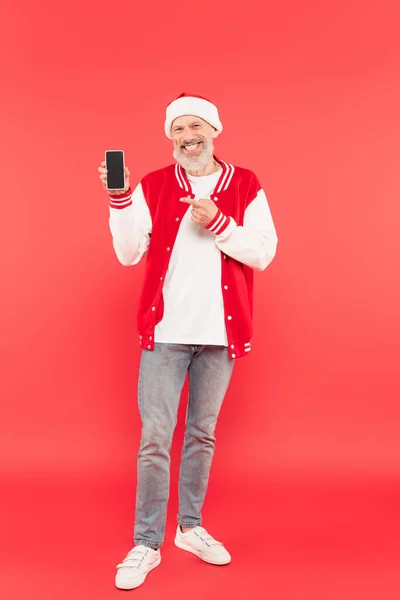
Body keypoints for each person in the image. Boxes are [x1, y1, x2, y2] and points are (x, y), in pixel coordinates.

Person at [98, 93, 278, 590]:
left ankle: (191, 528)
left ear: (215, 130)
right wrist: (119, 199)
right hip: (166, 333)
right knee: (155, 439)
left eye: (196, 126)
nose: (187, 137)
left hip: (220, 337)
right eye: (177, 129)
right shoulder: (154, 185)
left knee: (202, 434)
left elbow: (263, 252)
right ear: (170, 137)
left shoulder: (245, 184)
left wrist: (219, 224)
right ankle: (145, 542)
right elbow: (129, 253)